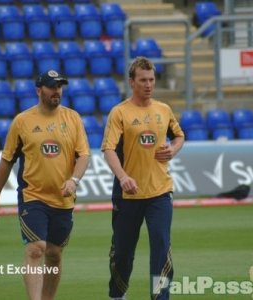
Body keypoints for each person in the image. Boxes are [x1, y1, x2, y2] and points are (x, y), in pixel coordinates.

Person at [0, 70, 90, 300]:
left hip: (63, 199)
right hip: (32, 196)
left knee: (54, 254)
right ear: (39, 90)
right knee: (36, 249)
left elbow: (83, 156)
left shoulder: (73, 118)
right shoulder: (22, 122)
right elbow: (6, 161)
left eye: (60, 86)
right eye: (52, 86)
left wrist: (74, 180)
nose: (57, 91)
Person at [101, 57, 185, 300]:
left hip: (160, 192)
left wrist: (174, 148)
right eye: (143, 80)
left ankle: (160, 296)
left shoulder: (163, 109)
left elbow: (179, 136)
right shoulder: (119, 113)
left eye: (151, 79)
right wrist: (123, 176)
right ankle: (117, 295)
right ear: (131, 82)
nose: (148, 85)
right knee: (123, 254)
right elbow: (108, 149)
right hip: (128, 194)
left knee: (161, 247)